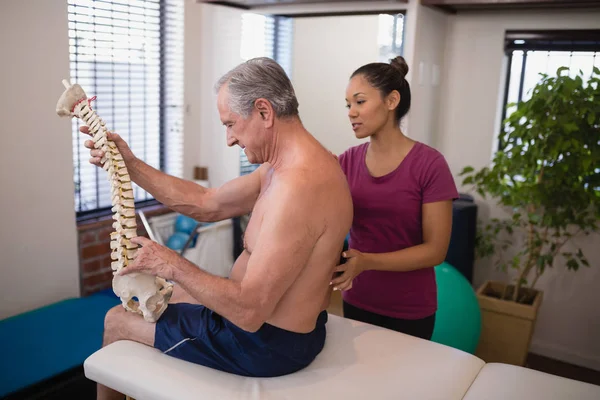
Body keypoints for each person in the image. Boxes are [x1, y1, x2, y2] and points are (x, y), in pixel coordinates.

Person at [82, 57, 353, 400]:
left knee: (116, 320)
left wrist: (171, 265)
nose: (229, 139)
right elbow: (207, 203)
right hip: (280, 325)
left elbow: (249, 312)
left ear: (264, 112)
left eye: (231, 125)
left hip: (263, 343)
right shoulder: (287, 166)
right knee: (156, 298)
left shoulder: (299, 189)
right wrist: (130, 165)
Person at [330, 56, 458, 340]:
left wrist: (366, 261)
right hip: (357, 300)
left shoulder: (430, 164)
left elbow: (435, 250)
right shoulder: (346, 162)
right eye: (348, 104)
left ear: (391, 101)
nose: (351, 112)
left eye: (360, 102)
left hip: (410, 309)